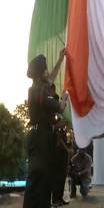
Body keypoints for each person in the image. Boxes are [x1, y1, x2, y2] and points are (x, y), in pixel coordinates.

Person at [23, 52, 68, 208]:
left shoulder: (38, 88)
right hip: (40, 137)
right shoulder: (39, 91)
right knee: (39, 177)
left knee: (42, 177)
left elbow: (50, 80)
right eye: (46, 69)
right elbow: (61, 107)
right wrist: (66, 95)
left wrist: (60, 60)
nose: (49, 72)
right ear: (41, 72)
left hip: (42, 136)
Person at [52, 118, 70, 206]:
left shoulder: (63, 130)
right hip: (57, 158)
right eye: (63, 122)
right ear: (59, 121)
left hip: (63, 158)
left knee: (62, 179)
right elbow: (59, 142)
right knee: (57, 179)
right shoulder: (56, 129)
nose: (64, 124)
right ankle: (55, 200)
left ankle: (60, 198)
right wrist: (67, 150)